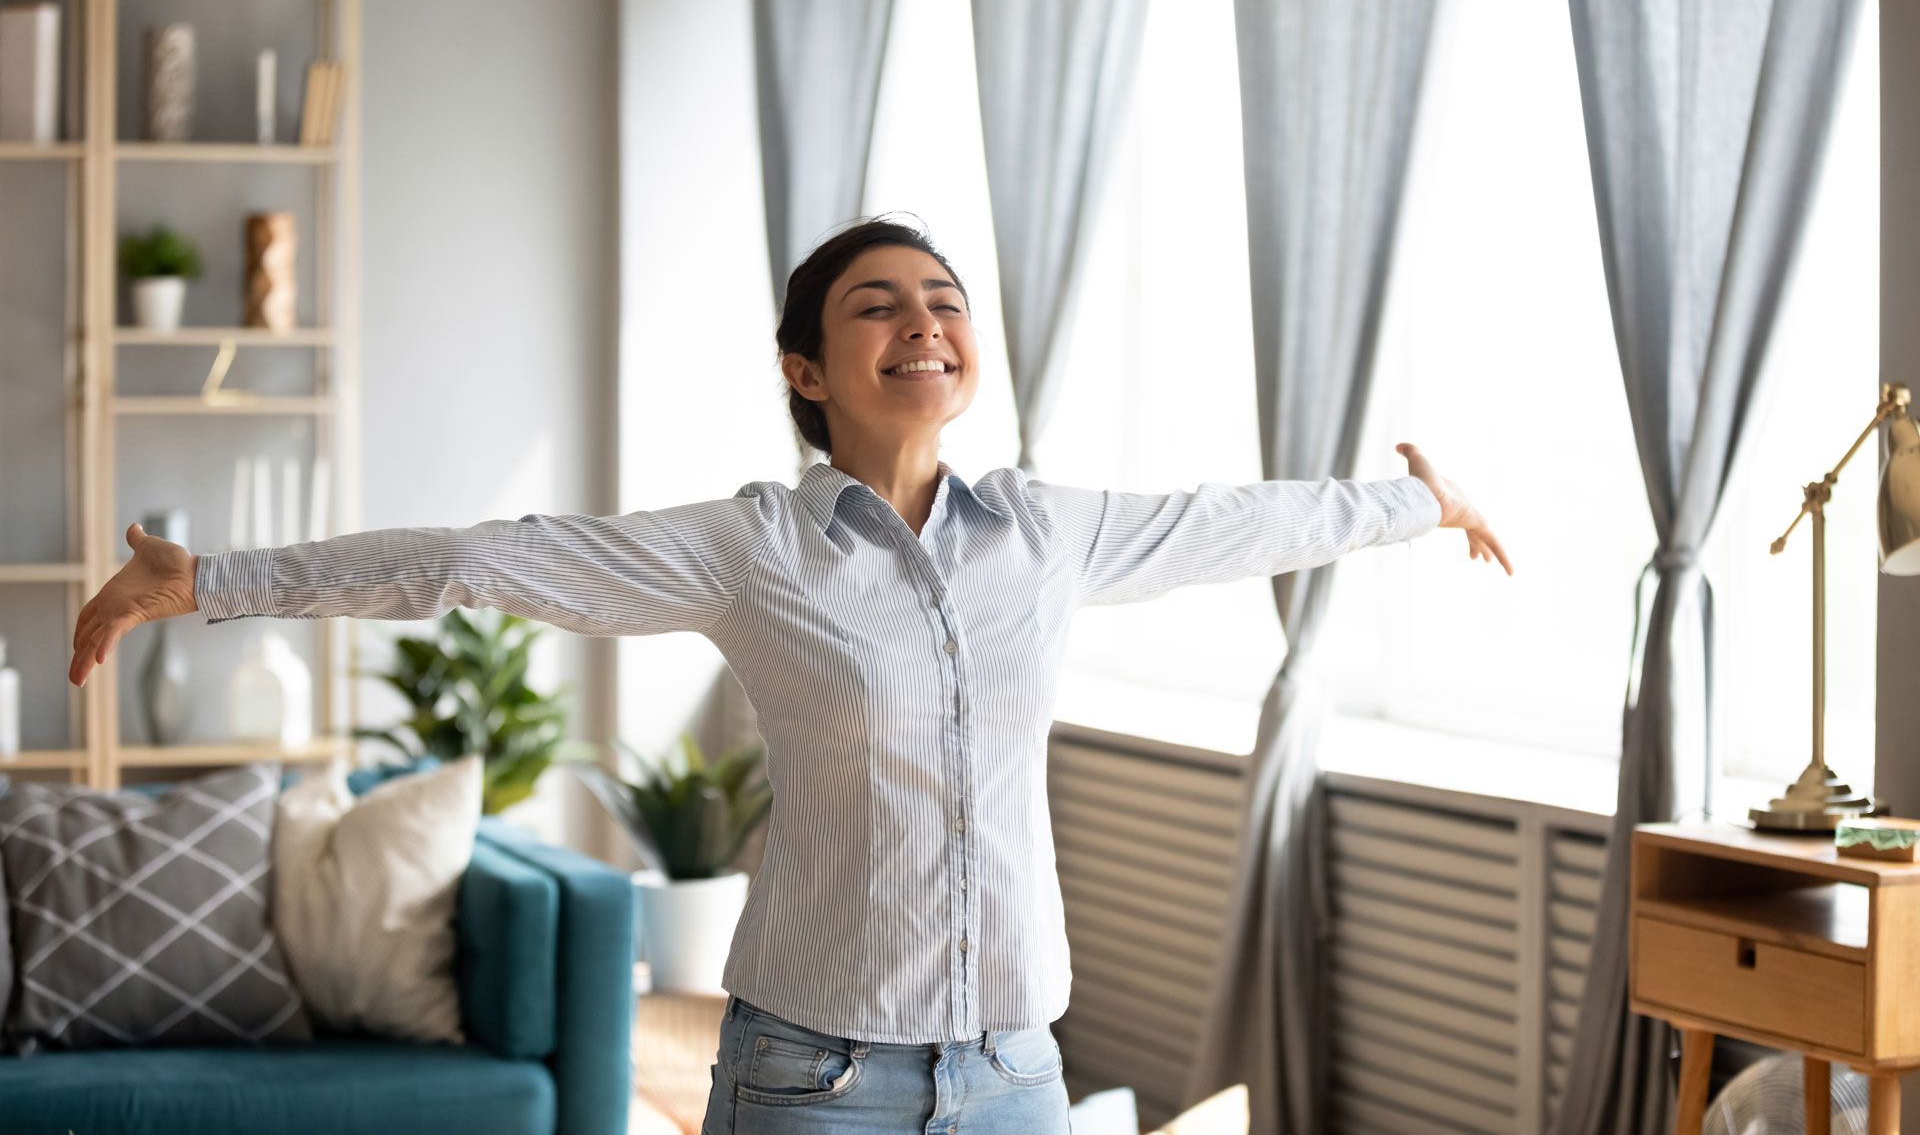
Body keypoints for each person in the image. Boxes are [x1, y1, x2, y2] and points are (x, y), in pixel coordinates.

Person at [68, 216, 1512, 1134]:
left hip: (1016, 1071)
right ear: (806, 371)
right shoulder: (754, 549)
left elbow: (1236, 522)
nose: (923, 322)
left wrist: (1417, 504)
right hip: (818, 1079)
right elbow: (480, 559)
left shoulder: (1047, 533)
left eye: (944, 300)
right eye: (878, 306)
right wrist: (211, 581)